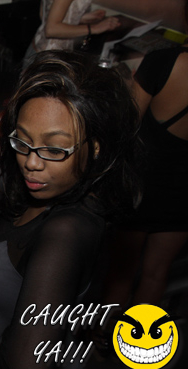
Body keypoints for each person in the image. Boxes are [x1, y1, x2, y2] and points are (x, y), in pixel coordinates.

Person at [0, 50, 142, 369]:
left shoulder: (65, 231)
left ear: (95, 148)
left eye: (55, 149)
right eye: (23, 140)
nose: (31, 162)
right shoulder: (48, 190)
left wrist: (7, 347)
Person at [101, 2, 188, 311]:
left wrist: (127, 85)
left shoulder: (162, 61)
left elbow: (126, 124)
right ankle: (138, 341)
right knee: (155, 274)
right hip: (183, 196)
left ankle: (100, 335)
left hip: (141, 187)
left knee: (120, 273)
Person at [23, 0, 120, 67]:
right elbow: (51, 30)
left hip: (39, 51)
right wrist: (95, 28)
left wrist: (78, 18)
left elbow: (43, 14)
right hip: (50, 57)